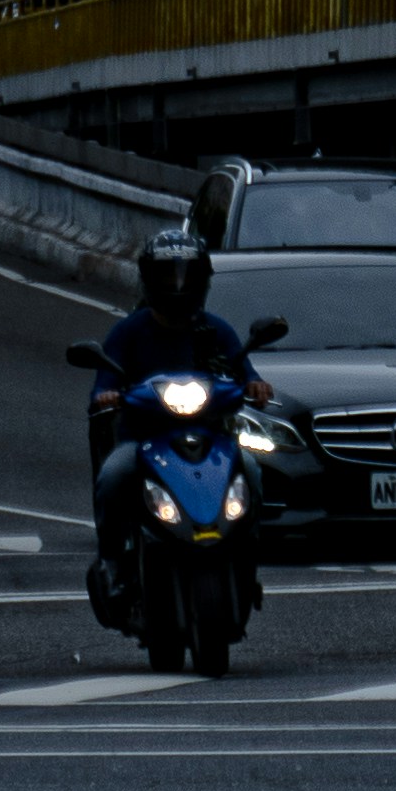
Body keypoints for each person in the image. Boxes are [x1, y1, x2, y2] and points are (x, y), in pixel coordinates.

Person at [83, 225, 267, 608]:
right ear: (149, 279)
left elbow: (246, 373)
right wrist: (106, 395)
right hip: (142, 440)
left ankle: (247, 563)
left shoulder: (216, 331)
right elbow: (104, 383)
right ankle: (112, 562)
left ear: (203, 280)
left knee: (251, 470)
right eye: (168, 276)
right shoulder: (128, 332)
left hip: (210, 440)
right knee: (114, 475)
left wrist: (255, 385)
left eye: (187, 275)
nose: (178, 285)